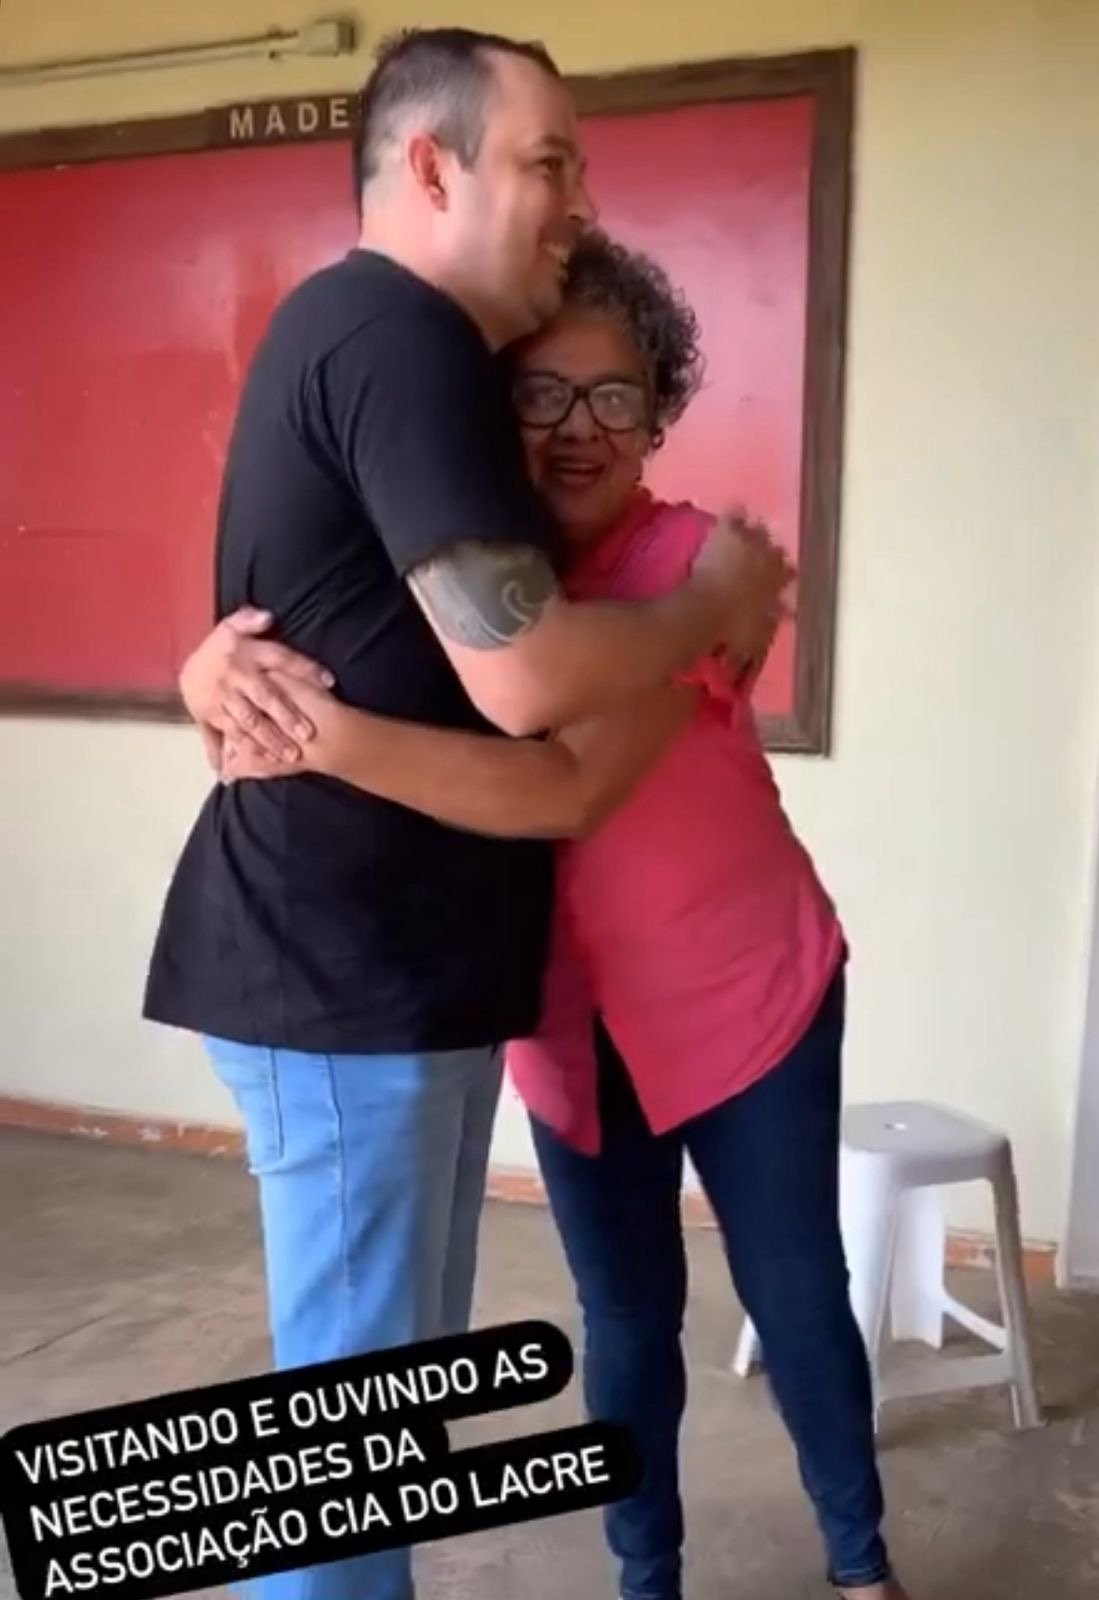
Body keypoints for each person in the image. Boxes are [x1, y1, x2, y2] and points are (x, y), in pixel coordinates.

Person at [143, 29, 790, 1600]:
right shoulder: (395, 331)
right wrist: (706, 608)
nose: (578, 198)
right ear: (432, 166)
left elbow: (341, 614)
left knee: (379, 1422)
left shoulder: (407, 351)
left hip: (401, 978)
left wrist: (206, 671)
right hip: (340, 971)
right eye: (548, 160)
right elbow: (527, 676)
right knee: (349, 1450)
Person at [189, 234, 909, 1600]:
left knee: (795, 1293)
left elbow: (570, 786)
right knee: (624, 1321)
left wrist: (310, 734)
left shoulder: (688, 568)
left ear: (657, 412)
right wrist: (209, 678)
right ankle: (646, 1580)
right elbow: (303, 661)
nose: (582, 429)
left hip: (747, 998)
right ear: (492, 414)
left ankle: (862, 1567)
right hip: (571, 1025)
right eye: (543, 394)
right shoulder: (458, 593)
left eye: (617, 395)